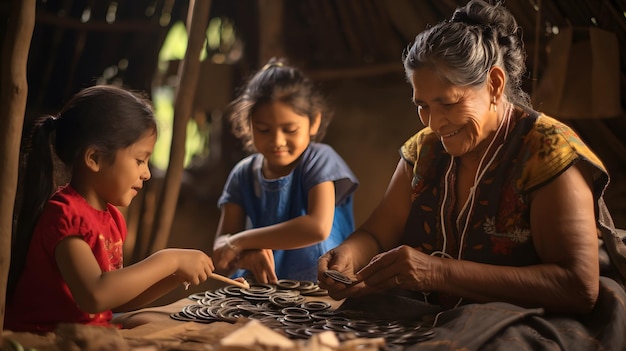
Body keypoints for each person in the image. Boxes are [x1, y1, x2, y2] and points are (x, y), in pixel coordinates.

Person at [318, 1, 626, 349]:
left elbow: (577, 287)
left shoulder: (547, 151)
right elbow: (376, 233)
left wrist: (437, 273)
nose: (434, 122)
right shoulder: (425, 151)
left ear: (494, 84)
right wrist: (347, 255)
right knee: (341, 327)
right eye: (422, 105)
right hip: (438, 313)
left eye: (448, 103)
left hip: (533, 318)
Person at [5, 85, 215, 333]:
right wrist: (169, 259)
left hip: (89, 331)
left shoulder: (112, 218)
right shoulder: (65, 216)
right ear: (94, 158)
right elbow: (95, 294)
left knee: (166, 322)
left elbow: (119, 299)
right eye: (139, 160)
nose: (146, 173)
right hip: (46, 337)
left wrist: (177, 275)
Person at [212, 58, 358, 283]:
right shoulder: (242, 174)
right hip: (262, 291)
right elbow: (221, 253)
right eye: (263, 130)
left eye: (289, 129)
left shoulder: (318, 159)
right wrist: (245, 256)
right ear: (247, 125)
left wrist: (241, 242)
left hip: (321, 289)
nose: (277, 141)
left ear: (314, 122)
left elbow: (317, 228)